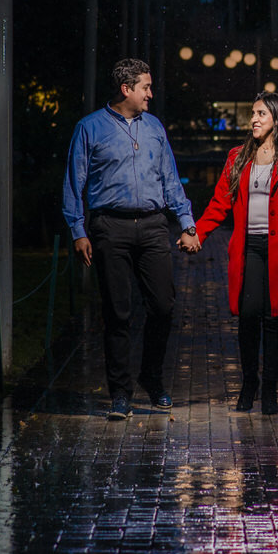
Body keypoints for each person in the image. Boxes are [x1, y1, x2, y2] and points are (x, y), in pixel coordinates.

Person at [63, 58, 201, 421]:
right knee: (118, 312)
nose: (150, 94)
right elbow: (74, 183)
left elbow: (170, 179)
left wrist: (186, 223)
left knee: (163, 306)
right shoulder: (89, 128)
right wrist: (78, 231)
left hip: (154, 225)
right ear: (127, 90)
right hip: (110, 227)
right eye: (146, 88)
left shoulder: (154, 127)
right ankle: (120, 393)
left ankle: (151, 376)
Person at [195, 91, 278, 415]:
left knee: (273, 318)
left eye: (261, 114)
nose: (253, 119)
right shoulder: (238, 156)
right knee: (248, 316)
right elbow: (220, 201)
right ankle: (248, 383)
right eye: (252, 113)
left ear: (277, 119)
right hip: (248, 247)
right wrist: (198, 232)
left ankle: (269, 390)